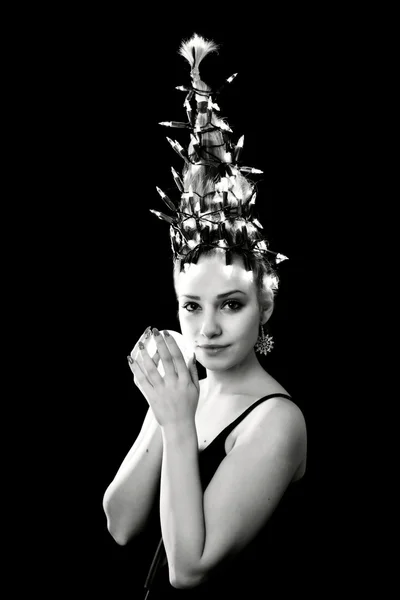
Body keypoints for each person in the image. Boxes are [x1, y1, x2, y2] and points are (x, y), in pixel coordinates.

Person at [102, 33, 308, 598]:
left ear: (265, 303)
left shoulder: (276, 423)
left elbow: (187, 569)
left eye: (232, 305)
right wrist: (162, 407)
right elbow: (121, 523)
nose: (208, 329)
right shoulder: (189, 390)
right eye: (192, 306)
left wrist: (174, 420)